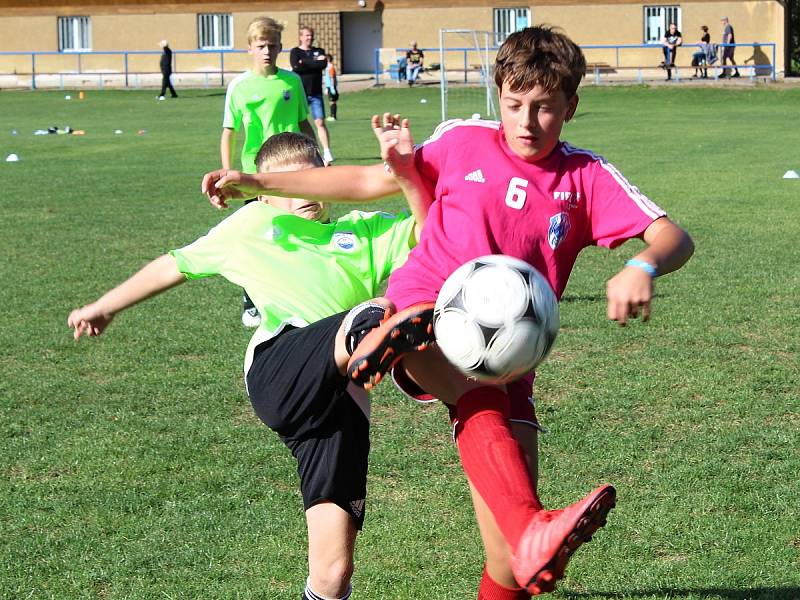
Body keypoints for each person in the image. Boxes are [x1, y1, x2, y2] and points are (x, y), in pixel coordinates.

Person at [203, 25, 695, 598]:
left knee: (514, 561)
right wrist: (258, 179)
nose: (526, 122)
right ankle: (393, 334)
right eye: (513, 105)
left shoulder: (584, 177)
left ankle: (529, 529)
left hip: (509, 357)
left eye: (544, 109)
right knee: (435, 342)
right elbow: (366, 179)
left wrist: (644, 266)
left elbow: (673, 237)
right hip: (428, 307)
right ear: (497, 97)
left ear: (572, 106)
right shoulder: (463, 141)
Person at [69, 126, 429, 600]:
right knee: (374, 313)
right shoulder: (251, 227)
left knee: (333, 573)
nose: (302, 192)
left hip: (339, 399)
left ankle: (375, 343)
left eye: (312, 179)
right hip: (279, 370)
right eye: (285, 184)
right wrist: (105, 306)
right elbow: (173, 264)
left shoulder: (363, 231)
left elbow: (432, 231)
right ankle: (379, 341)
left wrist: (410, 179)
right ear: (263, 195)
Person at [221, 16, 317, 328]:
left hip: (295, 170)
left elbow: (304, 123)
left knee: (303, 231)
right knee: (258, 235)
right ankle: (251, 299)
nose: (267, 51)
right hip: (255, 174)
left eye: (273, 46)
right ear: (249, 48)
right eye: (261, 46)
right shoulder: (239, 87)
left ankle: (302, 295)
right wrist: (227, 170)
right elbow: (228, 131)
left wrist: (317, 158)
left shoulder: (292, 82)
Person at [290, 26, 334, 164]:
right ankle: (301, 153)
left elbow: (322, 64)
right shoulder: (295, 51)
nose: (309, 38)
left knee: (320, 122)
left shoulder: (319, 51)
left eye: (311, 35)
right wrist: (313, 63)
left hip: (315, 93)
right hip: (299, 93)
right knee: (298, 123)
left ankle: (326, 152)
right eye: (306, 35)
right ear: (301, 37)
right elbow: (296, 66)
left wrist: (306, 63)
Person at [324, 53, 339, 122]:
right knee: (331, 101)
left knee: (332, 101)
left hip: (331, 87)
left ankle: (333, 116)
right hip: (329, 86)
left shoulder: (330, 67)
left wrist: (332, 87)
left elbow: (332, 78)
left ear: (328, 59)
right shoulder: (327, 67)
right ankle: (332, 115)